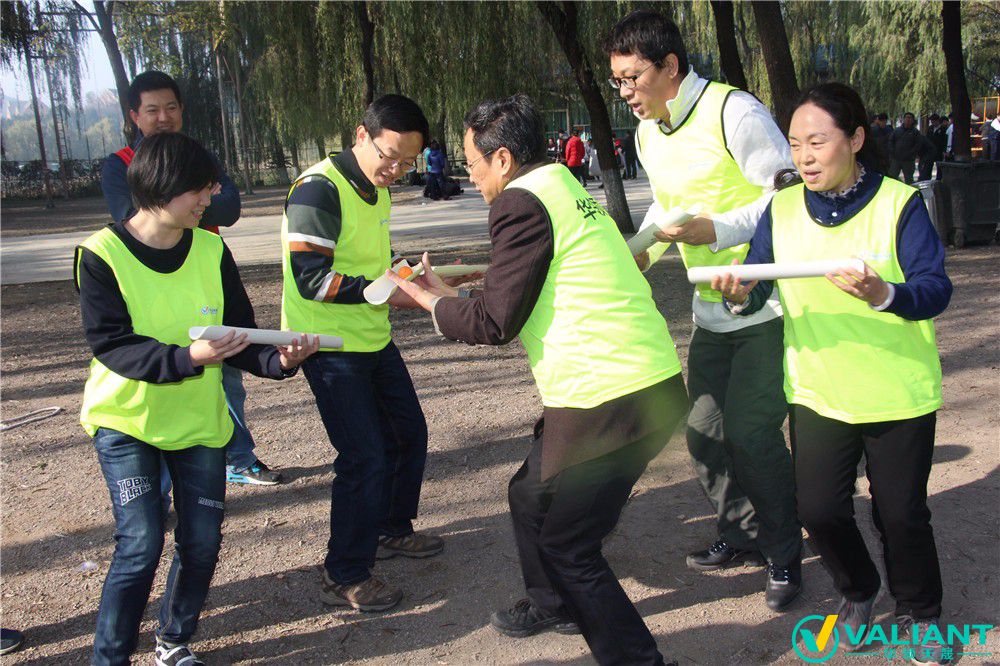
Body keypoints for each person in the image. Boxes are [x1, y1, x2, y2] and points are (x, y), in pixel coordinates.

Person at [388, 93, 689, 666]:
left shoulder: (520, 202)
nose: (471, 177)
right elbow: (523, 288)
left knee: (570, 547)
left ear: (502, 159)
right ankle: (553, 604)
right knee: (529, 493)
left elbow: (495, 323)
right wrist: (451, 295)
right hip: (635, 386)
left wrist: (429, 301)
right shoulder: (562, 185)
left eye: (473, 165)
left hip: (613, 401)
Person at [715, 82, 953, 666]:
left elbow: (934, 288)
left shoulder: (899, 203)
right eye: (795, 144)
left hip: (897, 391)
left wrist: (883, 293)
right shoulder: (782, 209)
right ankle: (859, 589)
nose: (805, 156)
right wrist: (738, 294)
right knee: (819, 510)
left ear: (856, 139)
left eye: (817, 142)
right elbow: (757, 281)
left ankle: (920, 612)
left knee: (900, 514)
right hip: (819, 390)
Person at [78, 132, 317, 666]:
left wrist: (280, 362)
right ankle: (109, 659)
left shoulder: (211, 248)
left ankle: (173, 641)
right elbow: (112, 344)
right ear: (162, 187)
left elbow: (239, 335)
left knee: (203, 541)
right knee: (140, 543)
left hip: (200, 424)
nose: (211, 198)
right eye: (201, 190)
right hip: (127, 421)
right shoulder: (101, 254)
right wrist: (189, 358)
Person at [604, 9, 802, 612]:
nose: (624, 92)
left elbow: (787, 197)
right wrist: (640, 249)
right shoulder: (648, 132)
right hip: (710, 310)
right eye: (616, 81)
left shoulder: (732, 112)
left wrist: (716, 229)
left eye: (632, 77)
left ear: (670, 66)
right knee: (704, 431)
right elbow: (667, 207)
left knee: (751, 434)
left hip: (766, 304)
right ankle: (740, 533)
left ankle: (784, 555)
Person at [281, 94, 448, 613]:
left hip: (372, 336)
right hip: (329, 346)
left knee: (408, 433)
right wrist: (394, 294)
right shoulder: (318, 189)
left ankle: (391, 529)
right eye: (390, 157)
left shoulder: (376, 189)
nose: (395, 170)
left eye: (407, 163)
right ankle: (345, 572)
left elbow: (373, 259)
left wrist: (410, 274)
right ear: (361, 136)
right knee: (363, 456)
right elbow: (312, 279)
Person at [101, 71, 281, 488]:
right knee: (162, 375)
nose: (163, 117)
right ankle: (158, 487)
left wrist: (179, 202)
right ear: (134, 116)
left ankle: (239, 457)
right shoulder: (119, 164)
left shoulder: (199, 155)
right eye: (152, 110)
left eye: (171, 107)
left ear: (182, 110)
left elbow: (230, 207)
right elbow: (130, 216)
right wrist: (188, 201)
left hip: (204, 275)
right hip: (152, 285)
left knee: (227, 373)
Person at [888, 112, 921, 183]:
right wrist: (892, 151)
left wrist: (911, 154)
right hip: (896, 159)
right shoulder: (897, 130)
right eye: (906, 117)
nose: (908, 119)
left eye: (910, 118)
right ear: (903, 119)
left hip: (908, 160)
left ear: (913, 120)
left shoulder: (916, 132)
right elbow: (890, 141)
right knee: (892, 177)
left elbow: (917, 145)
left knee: (909, 179)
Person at [917, 114, 940, 181]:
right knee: (927, 166)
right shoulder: (930, 128)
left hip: (938, 150)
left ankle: (938, 179)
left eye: (934, 121)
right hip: (929, 151)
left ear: (937, 121)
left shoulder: (942, 129)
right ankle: (926, 178)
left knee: (939, 166)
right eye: (932, 121)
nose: (932, 122)